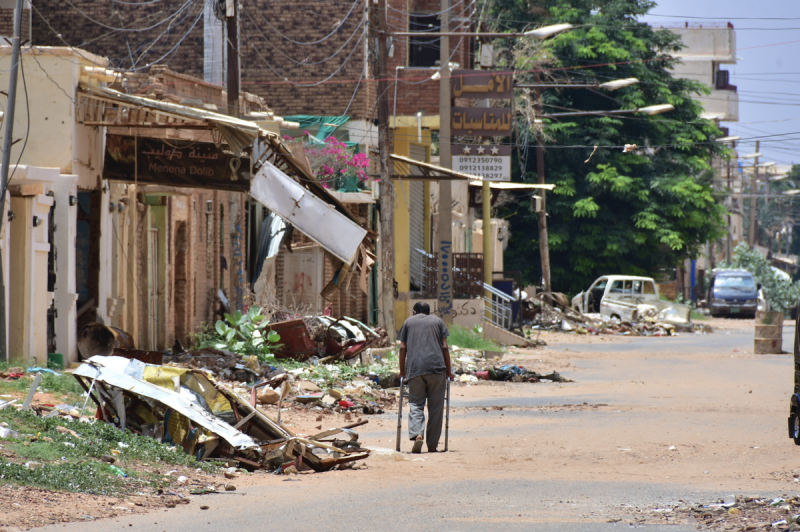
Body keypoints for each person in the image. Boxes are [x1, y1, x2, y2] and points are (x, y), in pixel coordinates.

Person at [398, 302, 455, 453]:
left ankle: (417, 434)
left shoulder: (409, 322)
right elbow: (444, 347)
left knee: (416, 404)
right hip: (437, 369)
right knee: (436, 407)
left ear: (414, 311)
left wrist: (402, 372)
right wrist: (448, 371)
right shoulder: (438, 322)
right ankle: (432, 445)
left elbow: (403, 347)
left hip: (415, 369)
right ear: (428, 312)